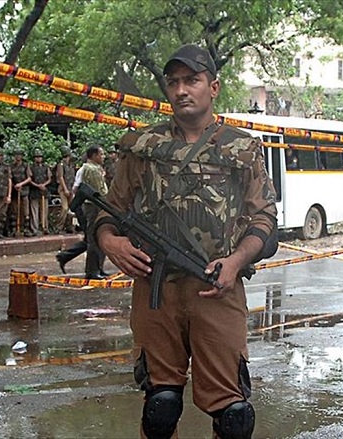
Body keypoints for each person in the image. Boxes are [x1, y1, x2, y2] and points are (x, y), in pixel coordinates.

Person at [94, 44, 277, 439]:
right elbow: (107, 210)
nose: (181, 90)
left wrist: (235, 261)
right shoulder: (142, 147)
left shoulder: (242, 149)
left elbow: (265, 218)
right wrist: (110, 241)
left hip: (218, 289)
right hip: (156, 292)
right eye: (173, 82)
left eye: (191, 80)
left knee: (234, 416)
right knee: (161, 406)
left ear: (213, 87)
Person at [80, 145, 108, 279]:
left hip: (94, 205)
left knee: (98, 236)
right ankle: (93, 270)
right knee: (95, 237)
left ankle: (98, 268)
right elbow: (100, 191)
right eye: (101, 154)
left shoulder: (92, 168)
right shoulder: (92, 169)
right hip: (95, 206)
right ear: (94, 155)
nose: (103, 157)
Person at [9, 147, 32, 237]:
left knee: (26, 212)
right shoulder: (11, 166)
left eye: (19, 155)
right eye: (16, 155)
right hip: (15, 191)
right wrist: (15, 185)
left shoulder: (26, 166)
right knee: (14, 211)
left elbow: (29, 178)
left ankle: (26, 229)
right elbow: (10, 178)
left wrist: (21, 184)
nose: (18, 157)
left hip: (24, 191)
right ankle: (14, 229)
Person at [28, 149, 52, 236]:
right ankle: (34, 228)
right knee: (34, 211)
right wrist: (37, 185)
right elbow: (29, 179)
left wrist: (43, 185)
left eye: (40, 157)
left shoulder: (46, 167)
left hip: (44, 191)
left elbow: (49, 178)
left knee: (44, 210)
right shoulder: (31, 167)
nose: (38, 159)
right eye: (37, 157)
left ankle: (45, 227)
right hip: (34, 191)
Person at [55, 146, 77, 233]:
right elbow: (60, 177)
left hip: (71, 188)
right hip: (63, 189)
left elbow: (73, 177)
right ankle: (59, 227)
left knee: (73, 209)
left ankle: (71, 226)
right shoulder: (60, 165)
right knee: (65, 208)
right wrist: (65, 189)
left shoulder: (72, 165)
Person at [0, 146, 11, 238]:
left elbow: (9, 180)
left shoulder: (6, 166)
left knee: (2, 214)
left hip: (3, 193)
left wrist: (9, 195)